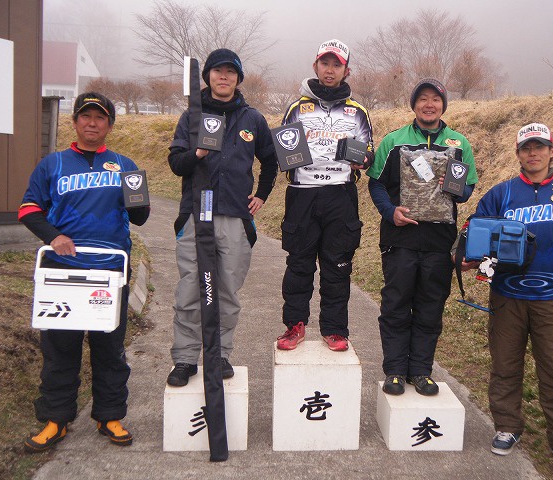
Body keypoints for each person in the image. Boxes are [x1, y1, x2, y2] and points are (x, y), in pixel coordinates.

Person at [19, 92, 150, 452]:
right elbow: (29, 209)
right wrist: (54, 236)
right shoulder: (53, 165)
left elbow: (140, 217)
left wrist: (139, 196)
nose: (92, 123)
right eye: (85, 116)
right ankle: (56, 419)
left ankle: (109, 415)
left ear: (109, 125)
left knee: (109, 348)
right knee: (60, 349)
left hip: (110, 272)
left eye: (100, 117)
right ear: (75, 122)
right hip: (62, 271)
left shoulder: (124, 164)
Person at [457, 123, 553, 474]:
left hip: (552, 295)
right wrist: (470, 255)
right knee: (505, 364)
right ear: (518, 154)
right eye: (526, 148)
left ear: (551, 150)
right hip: (508, 294)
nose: (533, 153)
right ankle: (507, 427)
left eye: (539, 147)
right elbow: (475, 231)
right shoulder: (502, 193)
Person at [167, 49, 278, 386]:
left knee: (226, 291)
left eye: (231, 72)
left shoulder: (253, 119)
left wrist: (261, 195)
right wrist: (197, 153)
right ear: (209, 77)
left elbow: (271, 161)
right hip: (195, 215)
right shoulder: (191, 116)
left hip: (234, 216)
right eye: (218, 71)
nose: (224, 77)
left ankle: (221, 354)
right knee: (190, 289)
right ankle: (186, 358)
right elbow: (176, 163)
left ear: (238, 79)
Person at [367, 78, 478, 396]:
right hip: (400, 239)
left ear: (443, 105)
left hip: (439, 242)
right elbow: (376, 183)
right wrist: (391, 212)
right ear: (413, 104)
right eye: (423, 99)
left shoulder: (458, 144)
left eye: (435, 99)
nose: (429, 104)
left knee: (431, 306)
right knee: (396, 305)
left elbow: (466, 190)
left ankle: (421, 370)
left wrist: (453, 186)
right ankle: (396, 371)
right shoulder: (394, 141)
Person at [275, 39, 374, 352]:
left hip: (340, 195)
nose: (330, 70)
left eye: (337, 65)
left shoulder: (357, 111)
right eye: (325, 63)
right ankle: (294, 326)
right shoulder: (296, 108)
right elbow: (283, 148)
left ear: (346, 70)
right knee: (299, 264)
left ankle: (334, 329)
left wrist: (364, 159)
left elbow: (369, 149)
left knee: (338, 265)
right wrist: (285, 156)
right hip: (303, 194)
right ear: (315, 66)